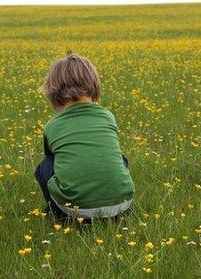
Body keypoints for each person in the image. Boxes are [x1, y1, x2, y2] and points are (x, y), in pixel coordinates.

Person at [35, 53, 134, 221]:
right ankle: (117, 211)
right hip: (123, 203)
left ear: (53, 90)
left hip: (77, 211)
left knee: (45, 165)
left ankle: (57, 214)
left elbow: (51, 155)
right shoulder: (107, 116)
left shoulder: (52, 125)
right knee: (120, 158)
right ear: (94, 84)